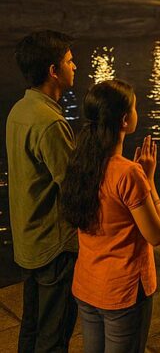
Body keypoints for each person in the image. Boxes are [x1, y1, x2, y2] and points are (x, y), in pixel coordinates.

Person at [61, 79, 160, 353]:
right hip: (123, 292)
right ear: (124, 120)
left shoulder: (81, 162)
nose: (136, 112)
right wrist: (150, 179)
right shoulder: (128, 173)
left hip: (87, 286)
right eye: (134, 107)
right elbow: (156, 234)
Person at [6, 30, 78, 352]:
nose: (74, 66)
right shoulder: (50, 123)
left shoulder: (19, 111)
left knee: (31, 326)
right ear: (53, 71)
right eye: (69, 61)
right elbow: (73, 187)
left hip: (27, 241)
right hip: (54, 246)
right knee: (53, 333)